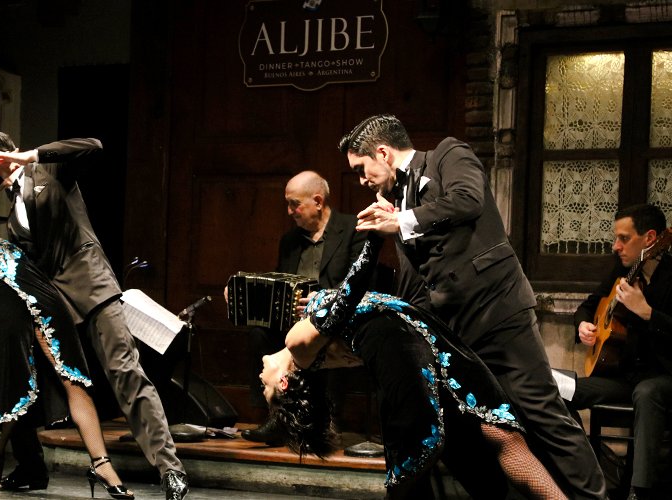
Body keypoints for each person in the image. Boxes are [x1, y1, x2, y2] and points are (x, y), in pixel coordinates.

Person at [339, 113, 606, 499]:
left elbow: (467, 200)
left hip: (498, 313)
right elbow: (418, 277)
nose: (362, 181)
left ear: (382, 153)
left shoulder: (448, 154)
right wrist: (407, 322)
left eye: (360, 169)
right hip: (457, 331)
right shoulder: (400, 199)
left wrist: (402, 221)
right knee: (482, 424)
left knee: (541, 409)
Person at [0, 132, 188, 499]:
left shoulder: (49, 170)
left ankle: (170, 469)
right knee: (14, 369)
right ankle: (30, 465)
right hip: (53, 297)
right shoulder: (11, 205)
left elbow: (94, 146)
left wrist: (28, 156)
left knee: (124, 370)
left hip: (90, 284)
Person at [261, 233, 566, 499]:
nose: (261, 376)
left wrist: (320, 301)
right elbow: (349, 297)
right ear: (284, 383)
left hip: (414, 333)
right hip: (414, 336)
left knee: (495, 436)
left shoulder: (317, 356)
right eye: (265, 386)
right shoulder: (297, 346)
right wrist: (373, 240)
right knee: (499, 436)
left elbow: (348, 311)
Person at [0, 172, 133, 498]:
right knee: (14, 385)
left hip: (34, 284)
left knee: (73, 376)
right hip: (1, 296)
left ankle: (102, 464)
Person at [240, 170, 368, 444]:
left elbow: (359, 282)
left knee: (323, 339)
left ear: (318, 201)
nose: (289, 211)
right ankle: (274, 417)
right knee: (259, 334)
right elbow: (280, 283)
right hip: (293, 322)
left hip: (333, 320)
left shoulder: (353, 229)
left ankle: (326, 422)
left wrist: (323, 299)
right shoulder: (290, 241)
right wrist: (243, 291)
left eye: (294, 204)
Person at [570, 203, 672, 500]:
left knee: (647, 392)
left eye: (624, 238)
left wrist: (647, 313)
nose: (616, 246)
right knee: (558, 390)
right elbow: (588, 306)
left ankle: (638, 492)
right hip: (624, 376)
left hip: (663, 376)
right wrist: (583, 325)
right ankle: (584, 477)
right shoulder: (624, 270)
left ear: (650, 238)